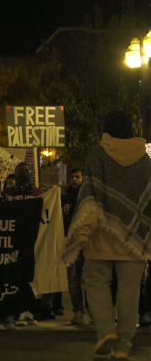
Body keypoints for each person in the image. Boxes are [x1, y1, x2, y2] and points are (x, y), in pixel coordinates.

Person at [63, 110, 151, 359]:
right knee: (130, 290)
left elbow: (90, 196)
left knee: (95, 282)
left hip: (100, 235)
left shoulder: (97, 156)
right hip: (135, 239)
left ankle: (105, 331)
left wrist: (83, 231)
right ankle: (123, 344)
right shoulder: (145, 161)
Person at [3, 162, 46, 323]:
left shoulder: (38, 193)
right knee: (14, 276)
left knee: (27, 275)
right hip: (12, 241)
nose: (23, 174)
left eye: (26, 171)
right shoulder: (7, 193)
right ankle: (17, 309)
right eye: (20, 171)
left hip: (31, 240)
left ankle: (26, 309)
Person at [62, 168, 87, 325]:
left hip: (89, 243)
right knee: (73, 279)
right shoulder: (64, 198)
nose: (74, 180)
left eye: (77, 177)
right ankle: (78, 310)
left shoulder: (89, 197)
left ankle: (93, 308)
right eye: (72, 177)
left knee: (93, 279)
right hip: (72, 245)